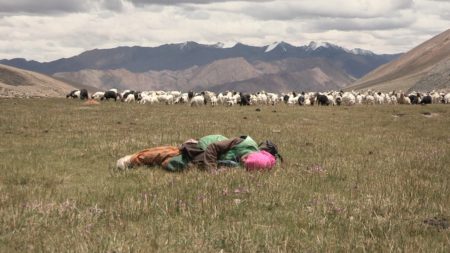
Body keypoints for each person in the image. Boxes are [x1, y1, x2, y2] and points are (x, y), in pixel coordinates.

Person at [116, 135, 282, 172]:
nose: (243, 161)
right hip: (207, 146)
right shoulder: (243, 143)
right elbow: (213, 149)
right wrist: (211, 170)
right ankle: (130, 160)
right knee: (171, 155)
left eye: (245, 164)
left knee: (172, 164)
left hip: (210, 155)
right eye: (245, 160)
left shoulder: (252, 163)